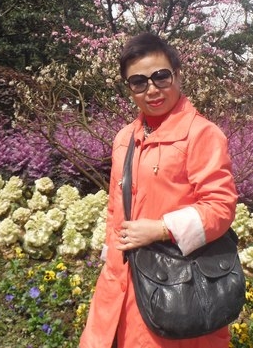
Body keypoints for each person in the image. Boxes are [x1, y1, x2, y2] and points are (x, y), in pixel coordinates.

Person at [79, 33, 239, 348]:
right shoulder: (125, 138)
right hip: (120, 286)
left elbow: (220, 206)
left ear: (177, 75)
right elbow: (115, 208)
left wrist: (161, 229)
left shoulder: (201, 134)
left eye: (160, 76)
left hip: (175, 289)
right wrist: (112, 258)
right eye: (138, 82)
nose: (151, 89)